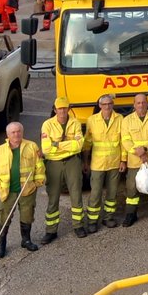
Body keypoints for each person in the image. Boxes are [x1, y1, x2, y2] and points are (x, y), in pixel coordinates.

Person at [0, 122, 44, 258]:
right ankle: (2, 245)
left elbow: (39, 166)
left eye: (18, 131)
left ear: (22, 132)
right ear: (8, 135)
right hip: (8, 192)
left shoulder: (32, 146)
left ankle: (26, 240)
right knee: (3, 218)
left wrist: (37, 183)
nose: (16, 134)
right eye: (13, 132)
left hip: (28, 190)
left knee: (27, 215)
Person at [40, 102, 86, 242]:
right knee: (53, 196)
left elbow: (79, 146)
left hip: (73, 161)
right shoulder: (47, 124)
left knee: (76, 194)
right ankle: (51, 231)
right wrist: (68, 145)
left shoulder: (75, 123)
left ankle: (78, 226)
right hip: (54, 164)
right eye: (59, 108)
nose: (62, 111)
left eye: (65, 108)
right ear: (55, 109)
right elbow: (46, 149)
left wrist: (57, 144)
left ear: (69, 109)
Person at [121, 93, 148, 225]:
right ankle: (131, 213)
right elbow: (126, 141)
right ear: (134, 105)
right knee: (131, 188)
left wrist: (145, 149)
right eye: (138, 103)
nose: (141, 105)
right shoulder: (126, 120)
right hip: (135, 161)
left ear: (147, 103)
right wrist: (139, 153)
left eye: (143, 102)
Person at [84, 95, 123, 231]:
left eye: (109, 104)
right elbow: (87, 143)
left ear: (113, 105)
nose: (107, 107)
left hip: (114, 162)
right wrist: (85, 161)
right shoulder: (92, 120)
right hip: (97, 164)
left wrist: (123, 160)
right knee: (95, 194)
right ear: (100, 106)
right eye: (104, 104)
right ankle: (92, 221)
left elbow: (123, 142)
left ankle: (108, 218)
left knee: (112, 193)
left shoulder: (119, 119)